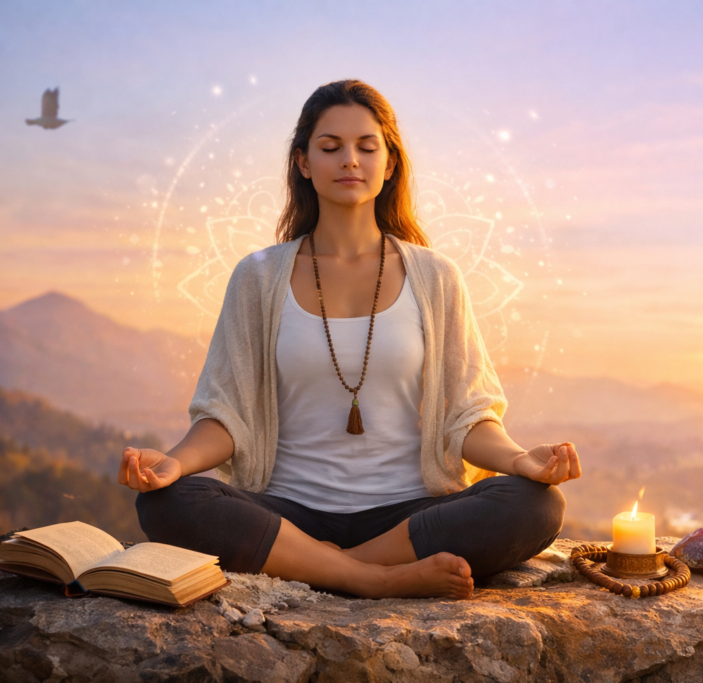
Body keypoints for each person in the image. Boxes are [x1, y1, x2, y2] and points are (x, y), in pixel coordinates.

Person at [116, 80, 581, 600]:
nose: (349, 161)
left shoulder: (435, 277)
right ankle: (375, 579)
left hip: (406, 516)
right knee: (167, 502)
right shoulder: (259, 276)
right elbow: (227, 417)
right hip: (288, 512)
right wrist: (175, 463)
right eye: (330, 147)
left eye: (366, 147)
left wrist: (522, 461)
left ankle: (328, 568)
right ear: (303, 163)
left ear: (390, 164)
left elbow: (467, 417)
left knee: (537, 503)